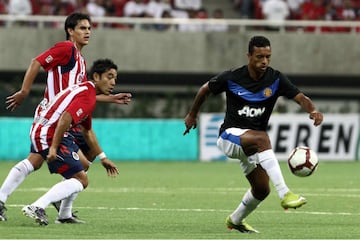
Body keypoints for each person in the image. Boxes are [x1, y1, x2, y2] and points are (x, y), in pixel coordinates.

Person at [183, 36, 324, 233]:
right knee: (262, 138)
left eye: (268, 57)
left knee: (261, 189)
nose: (264, 61)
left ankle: (235, 220)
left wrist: (313, 110)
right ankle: (285, 193)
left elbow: (300, 97)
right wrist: (192, 114)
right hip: (229, 137)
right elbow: (205, 89)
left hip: (250, 144)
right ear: (249, 56)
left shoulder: (275, 79)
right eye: (259, 56)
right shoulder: (232, 77)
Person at [0, 12, 131, 222]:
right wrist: (24, 91)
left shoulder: (80, 59)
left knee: (45, 161)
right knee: (80, 169)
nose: (87, 32)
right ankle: (53, 204)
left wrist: (110, 98)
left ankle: (62, 209)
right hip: (55, 118)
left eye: (89, 28)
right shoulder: (67, 48)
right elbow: (36, 62)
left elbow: (80, 95)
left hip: (63, 118)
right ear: (70, 31)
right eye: (82, 28)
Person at [21, 58, 119, 226]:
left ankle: (64, 215)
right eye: (109, 77)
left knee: (84, 164)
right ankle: (37, 206)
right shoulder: (87, 95)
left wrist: (103, 157)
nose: (113, 82)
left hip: (48, 131)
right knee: (82, 180)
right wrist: (53, 148)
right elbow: (65, 118)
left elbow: (87, 131)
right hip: (49, 133)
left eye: (115, 78)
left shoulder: (87, 92)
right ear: (96, 76)